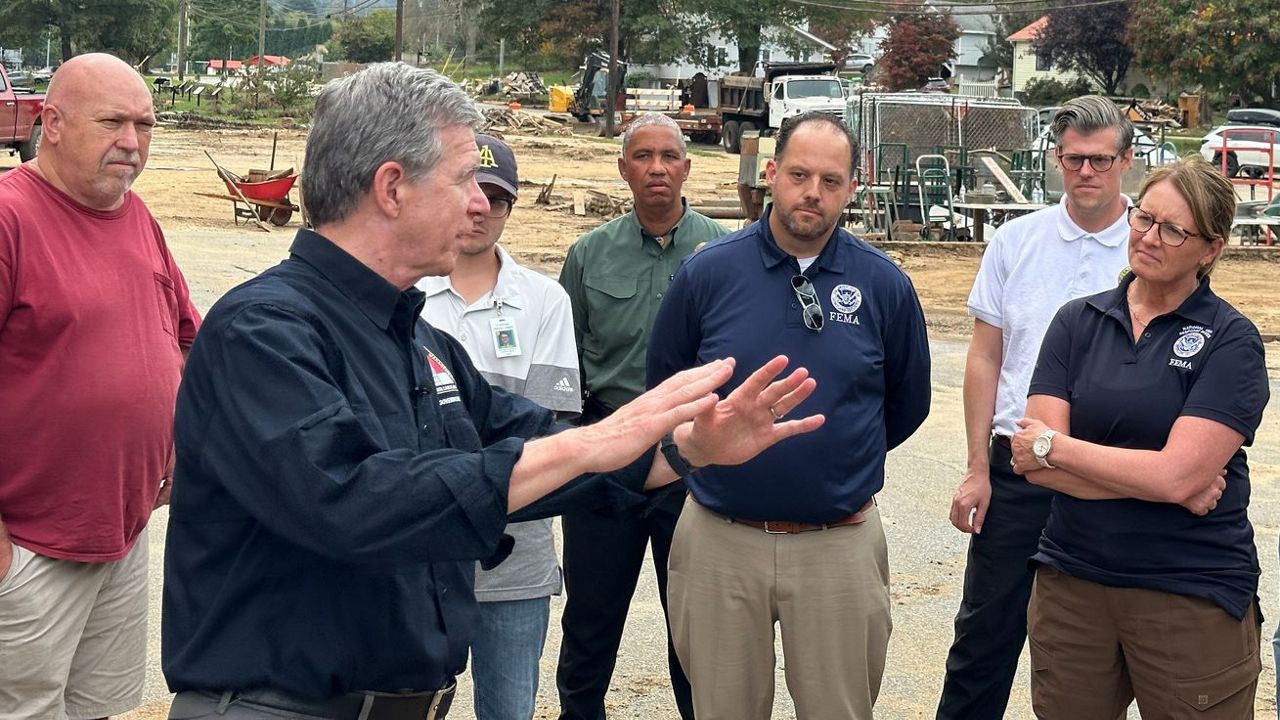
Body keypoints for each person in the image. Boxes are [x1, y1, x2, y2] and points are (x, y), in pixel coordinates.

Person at [162, 63, 824, 720]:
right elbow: (351, 500)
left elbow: (542, 450)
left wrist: (684, 448)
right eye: (461, 182)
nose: (481, 204)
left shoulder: (419, 344)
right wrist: (597, 440)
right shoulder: (264, 331)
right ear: (392, 188)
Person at [648, 111, 931, 719]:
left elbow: (907, 406)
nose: (813, 193)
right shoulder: (707, 274)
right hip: (721, 540)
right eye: (799, 174)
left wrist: (834, 464)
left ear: (855, 187)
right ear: (771, 174)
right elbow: (665, 395)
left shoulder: (885, 286)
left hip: (840, 545)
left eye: (832, 181)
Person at [1010, 155, 1267, 718]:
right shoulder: (1076, 322)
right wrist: (1163, 481)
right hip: (1073, 584)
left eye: (1173, 229)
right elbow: (1032, 464)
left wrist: (1060, 448)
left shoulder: (1231, 342)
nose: (1149, 237)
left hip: (1188, 591)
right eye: (1144, 218)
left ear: (1211, 249)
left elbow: (1173, 474)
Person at [0, 53, 200, 720]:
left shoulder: (137, 217)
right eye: (112, 122)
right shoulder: (10, 219)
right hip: (28, 543)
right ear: (50, 123)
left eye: (144, 125)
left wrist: (177, 442)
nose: (132, 142)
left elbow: (184, 337)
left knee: (96, 710)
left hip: (121, 531)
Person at [936, 95, 1136, 719]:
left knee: (1106, 651)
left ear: (1126, 161)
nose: (1087, 173)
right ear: (1055, 159)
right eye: (1074, 159)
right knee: (985, 639)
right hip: (1018, 472)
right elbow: (985, 360)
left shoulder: (1151, 248)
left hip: (1114, 477)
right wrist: (976, 469)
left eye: (1101, 160)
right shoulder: (1015, 242)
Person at [556, 112, 729, 720]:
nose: (657, 168)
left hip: (692, 460)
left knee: (694, 626)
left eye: (669, 157)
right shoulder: (587, 255)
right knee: (590, 620)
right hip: (608, 455)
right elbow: (566, 364)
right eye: (643, 156)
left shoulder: (727, 253)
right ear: (622, 167)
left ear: (688, 166)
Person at [418, 134, 580, 720]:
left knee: (509, 709)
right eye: (469, 192)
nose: (480, 208)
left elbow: (549, 425)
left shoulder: (544, 301)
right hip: (421, 551)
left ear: (511, 208)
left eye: (497, 197)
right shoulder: (405, 294)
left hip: (517, 558)